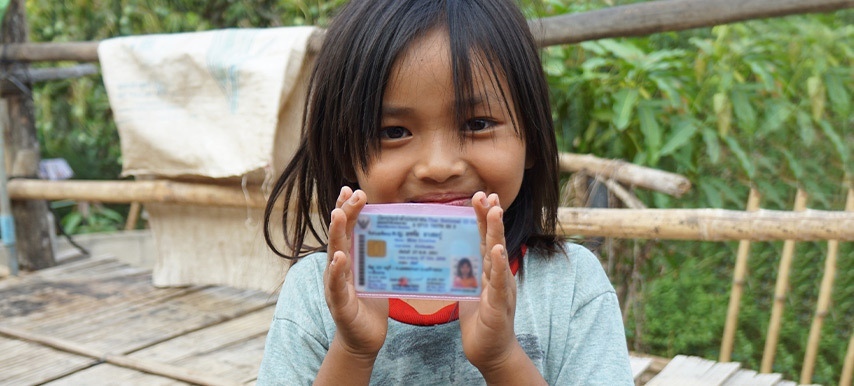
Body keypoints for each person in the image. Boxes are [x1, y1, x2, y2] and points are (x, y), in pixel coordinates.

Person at [258, 0, 633, 384]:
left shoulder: (570, 285)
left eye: (478, 123)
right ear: (345, 153)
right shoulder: (315, 292)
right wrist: (352, 351)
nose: (438, 167)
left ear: (533, 140)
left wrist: (502, 358)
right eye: (393, 132)